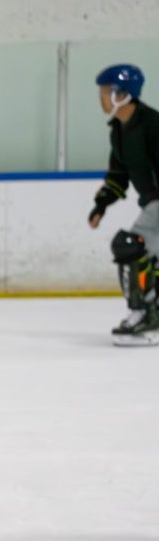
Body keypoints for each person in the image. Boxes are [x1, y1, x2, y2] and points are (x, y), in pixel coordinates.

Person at [87, 63, 159, 346]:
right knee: (145, 256)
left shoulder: (153, 126)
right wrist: (101, 205)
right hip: (153, 204)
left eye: (106, 92)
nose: (102, 98)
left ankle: (144, 314)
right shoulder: (119, 130)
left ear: (123, 94)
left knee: (131, 246)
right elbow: (118, 173)